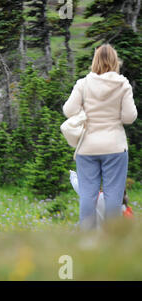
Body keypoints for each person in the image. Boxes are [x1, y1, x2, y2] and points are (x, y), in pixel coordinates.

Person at [63, 44, 137, 231]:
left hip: (87, 146)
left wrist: (85, 113)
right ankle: (111, 238)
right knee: (114, 195)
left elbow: (68, 110)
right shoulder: (123, 84)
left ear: (94, 61)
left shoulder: (83, 84)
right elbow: (129, 117)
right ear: (115, 61)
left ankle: (87, 238)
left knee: (88, 194)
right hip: (115, 147)